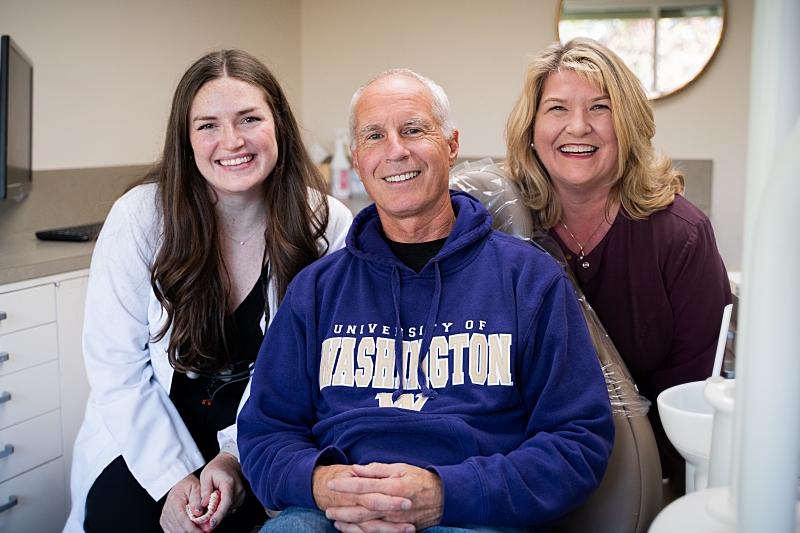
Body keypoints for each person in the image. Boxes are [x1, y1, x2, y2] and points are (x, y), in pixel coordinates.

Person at [237, 68, 615, 533]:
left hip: (471, 514)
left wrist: (445, 495)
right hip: (330, 517)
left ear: (451, 144)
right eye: (374, 136)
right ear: (357, 160)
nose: (396, 150)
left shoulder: (530, 281)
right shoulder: (317, 291)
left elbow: (577, 442)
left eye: (413, 130)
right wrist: (319, 483)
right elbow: (264, 433)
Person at [64, 49, 353, 533]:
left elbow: (316, 375)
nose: (231, 141)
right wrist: (173, 477)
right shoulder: (140, 218)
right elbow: (116, 369)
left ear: (278, 124)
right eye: (207, 125)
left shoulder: (325, 225)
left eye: (249, 118)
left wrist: (234, 459)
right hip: (146, 441)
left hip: (263, 439)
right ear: (186, 139)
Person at [505, 38, 732, 481]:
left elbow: (695, 398)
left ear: (627, 124)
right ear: (531, 130)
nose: (578, 127)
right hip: (523, 466)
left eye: (600, 108)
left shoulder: (681, 236)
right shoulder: (505, 230)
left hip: (648, 472)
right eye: (556, 109)